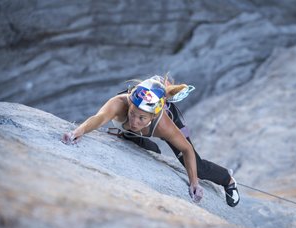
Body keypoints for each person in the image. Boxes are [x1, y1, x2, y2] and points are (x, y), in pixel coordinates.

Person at [62, 74, 240, 207]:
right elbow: (99, 118)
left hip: (169, 119)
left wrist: (194, 182)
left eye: (141, 118)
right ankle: (143, 143)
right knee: (145, 146)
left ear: (153, 116)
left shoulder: (164, 125)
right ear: (130, 104)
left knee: (197, 168)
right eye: (132, 114)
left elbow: (187, 150)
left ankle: (228, 180)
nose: (134, 121)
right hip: (140, 126)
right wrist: (79, 131)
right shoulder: (119, 104)